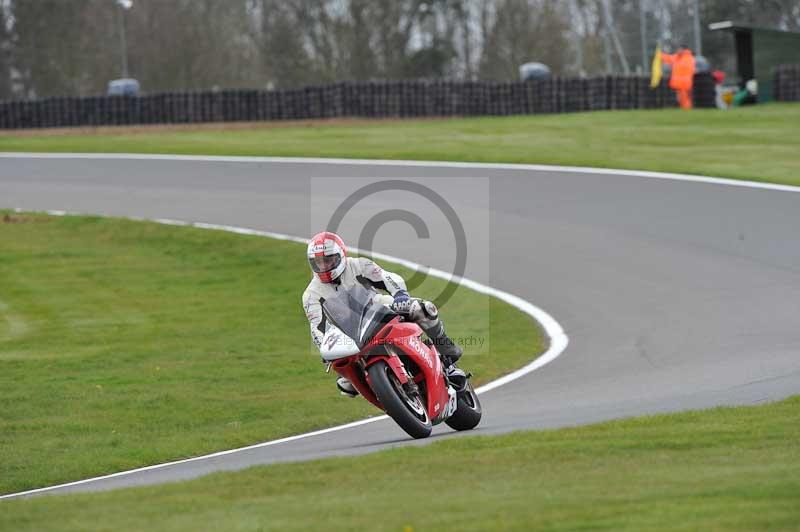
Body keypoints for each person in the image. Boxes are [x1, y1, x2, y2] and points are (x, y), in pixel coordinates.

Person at [302, 231, 463, 397]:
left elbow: (387, 278)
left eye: (328, 260)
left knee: (422, 309)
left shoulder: (358, 265)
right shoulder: (311, 295)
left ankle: (448, 360)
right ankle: (382, 389)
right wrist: (324, 349)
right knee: (346, 384)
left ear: (341, 255)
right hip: (350, 335)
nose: (324, 267)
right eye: (318, 263)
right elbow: (317, 327)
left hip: (380, 309)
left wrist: (400, 295)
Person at [661, 45, 696, 110]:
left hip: (684, 82)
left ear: (683, 50)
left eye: (679, 49)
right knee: (681, 97)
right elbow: (668, 58)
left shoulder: (686, 58)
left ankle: (686, 109)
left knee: (684, 97)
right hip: (682, 82)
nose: (677, 51)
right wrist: (660, 55)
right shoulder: (680, 57)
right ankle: (685, 109)